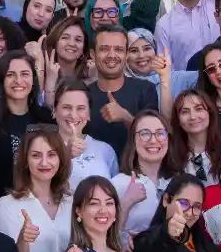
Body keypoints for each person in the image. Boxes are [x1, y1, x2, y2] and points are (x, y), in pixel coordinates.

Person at [84, 27, 158, 155]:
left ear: (127, 54)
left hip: (135, 166)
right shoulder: (82, 95)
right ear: (93, 54)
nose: (112, 55)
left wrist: (126, 117)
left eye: (118, 49)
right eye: (104, 49)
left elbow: (153, 139)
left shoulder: (146, 89)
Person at [0, 52, 46, 204]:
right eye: (10, 75)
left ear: (33, 79)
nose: (18, 80)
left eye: (25, 74)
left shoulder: (45, 119)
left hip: (38, 204)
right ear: (2, 79)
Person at [116, 109, 176, 234]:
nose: (153, 140)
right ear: (133, 140)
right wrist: (126, 202)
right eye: (144, 134)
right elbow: (103, 236)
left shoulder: (177, 182)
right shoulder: (118, 183)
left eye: (160, 133)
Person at [51, 83, 117, 187]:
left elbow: (113, 192)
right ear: (54, 110)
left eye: (80, 108)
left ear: (89, 114)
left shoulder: (105, 150)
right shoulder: (41, 147)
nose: (73, 115)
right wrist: (66, 157)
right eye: (66, 107)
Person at [168, 86, 221, 185]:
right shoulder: (171, 155)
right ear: (178, 120)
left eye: (199, 109)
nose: (192, 116)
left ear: (210, 113)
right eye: (185, 112)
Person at [37, 17, 89, 103]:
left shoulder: (89, 79)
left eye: (78, 40)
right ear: (55, 42)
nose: (72, 44)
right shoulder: (40, 75)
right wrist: (49, 81)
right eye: (65, 38)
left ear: (84, 47)